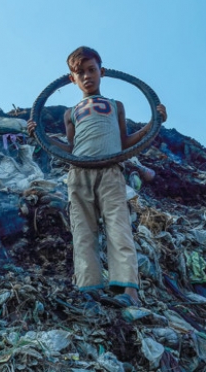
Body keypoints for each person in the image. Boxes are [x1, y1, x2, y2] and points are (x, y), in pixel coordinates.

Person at [27, 46, 167, 307]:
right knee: (83, 232)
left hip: (111, 172)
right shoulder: (70, 113)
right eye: (80, 73)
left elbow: (125, 142)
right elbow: (72, 149)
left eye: (92, 70)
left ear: (102, 72)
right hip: (79, 174)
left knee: (118, 228)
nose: (87, 76)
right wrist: (41, 137)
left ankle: (128, 292)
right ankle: (88, 288)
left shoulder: (116, 106)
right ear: (72, 79)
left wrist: (153, 124)